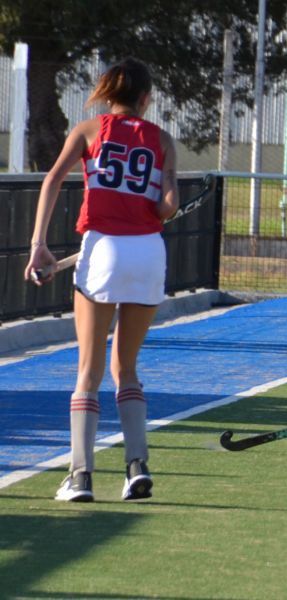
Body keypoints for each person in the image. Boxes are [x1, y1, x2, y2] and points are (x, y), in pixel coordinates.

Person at [25, 57, 179, 502]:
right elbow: (167, 206)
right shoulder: (163, 140)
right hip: (149, 254)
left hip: (103, 251)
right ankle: (136, 467)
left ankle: (80, 476)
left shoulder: (89, 131)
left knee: (88, 372)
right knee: (125, 369)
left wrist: (39, 244)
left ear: (108, 93)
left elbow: (52, 179)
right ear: (146, 99)